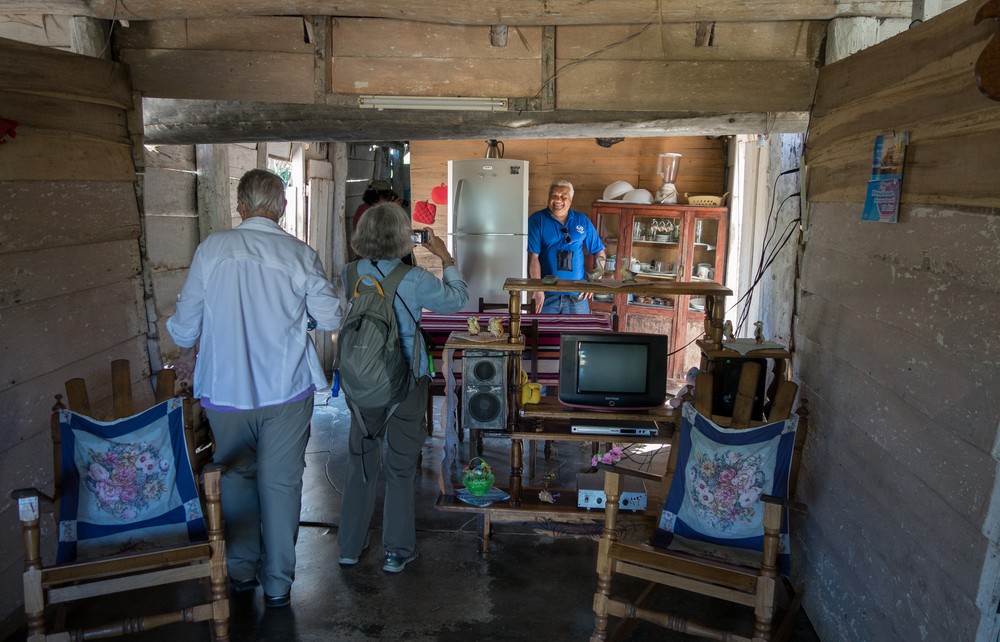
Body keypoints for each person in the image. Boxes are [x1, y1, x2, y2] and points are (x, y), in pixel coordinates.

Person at [166, 169, 342, 609]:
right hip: (285, 389)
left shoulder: (212, 250)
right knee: (281, 485)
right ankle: (279, 583)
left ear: (240, 206)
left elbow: (186, 326)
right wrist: (308, 318)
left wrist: (192, 342)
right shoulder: (299, 254)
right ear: (281, 207)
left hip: (225, 390)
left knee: (237, 478)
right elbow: (333, 317)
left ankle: (241, 570)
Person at [337, 202, 467, 574]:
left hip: (360, 383)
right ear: (402, 238)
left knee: (360, 463)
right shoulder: (412, 279)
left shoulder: (350, 274)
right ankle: (396, 551)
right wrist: (444, 256)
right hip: (405, 382)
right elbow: (457, 299)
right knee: (399, 467)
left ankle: (349, 547)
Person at [527, 179, 606, 313]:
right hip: (547, 295)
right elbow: (533, 257)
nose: (558, 200)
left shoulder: (582, 220)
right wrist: (538, 289)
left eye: (563, 197)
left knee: (579, 333)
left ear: (571, 200)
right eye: (554, 196)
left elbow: (599, 251)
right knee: (543, 333)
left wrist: (594, 280)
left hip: (577, 296)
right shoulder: (537, 220)